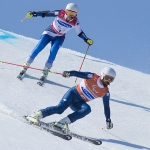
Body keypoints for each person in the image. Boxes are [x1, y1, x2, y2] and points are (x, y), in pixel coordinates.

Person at [18, 3, 93, 80]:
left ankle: (46, 70)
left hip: (59, 37)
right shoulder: (60, 13)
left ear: (76, 14)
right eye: (69, 12)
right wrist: (34, 14)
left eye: (73, 13)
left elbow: (79, 32)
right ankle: (26, 64)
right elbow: (46, 14)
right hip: (49, 32)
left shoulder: (75, 22)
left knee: (54, 51)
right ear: (65, 11)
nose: (70, 15)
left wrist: (86, 39)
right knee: (39, 47)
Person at [26, 67, 116, 130]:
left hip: (78, 103)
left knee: (87, 109)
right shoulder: (92, 77)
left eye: (111, 79)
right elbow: (77, 73)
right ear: (102, 75)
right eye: (107, 77)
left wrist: (108, 120)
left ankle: (62, 123)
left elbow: (106, 107)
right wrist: (69, 73)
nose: (108, 81)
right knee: (60, 109)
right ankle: (36, 115)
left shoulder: (106, 92)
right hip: (73, 94)